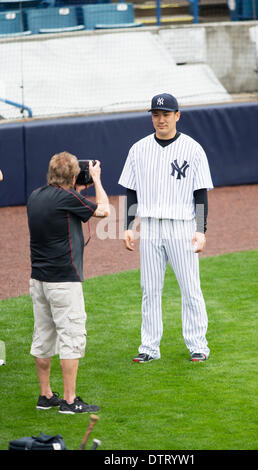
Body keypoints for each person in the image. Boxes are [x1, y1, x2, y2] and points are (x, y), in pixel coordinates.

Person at [118, 93, 214, 363]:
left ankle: (198, 345)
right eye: (156, 115)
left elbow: (200, 193)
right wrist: (128, 225)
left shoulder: (193, 149)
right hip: (149, 227)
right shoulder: (138, 149)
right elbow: (131, 190)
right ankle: (149, 347)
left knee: (190, 288)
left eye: (166, 114)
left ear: (177, 116)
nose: (161, 119)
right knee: (150, 289)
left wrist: (201, 229)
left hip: (181, 227)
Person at [27, 152, 109, 413]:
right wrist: (96, 180)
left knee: (43, 337)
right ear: (74, 176)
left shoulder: (35, 196)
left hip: (38, 280)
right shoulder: (68, 198)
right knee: (70, 338)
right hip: (64, 281)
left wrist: (77, 190)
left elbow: (64, 206)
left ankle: (46, 396)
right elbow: (104, 210)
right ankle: (70, 401)